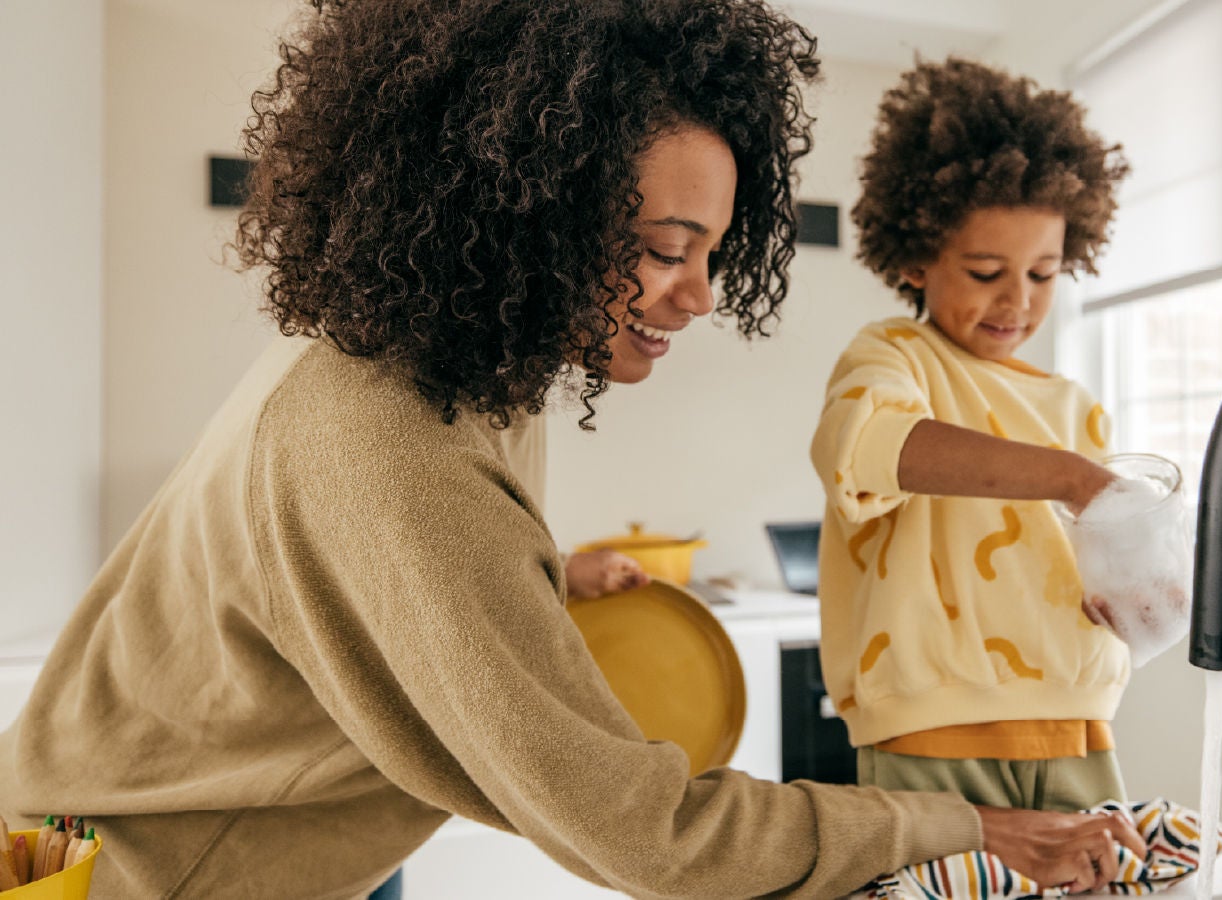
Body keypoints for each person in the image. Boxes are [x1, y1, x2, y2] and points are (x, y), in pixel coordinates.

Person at [0, 4, 1143, 897]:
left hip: (238, 837)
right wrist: (973, 828)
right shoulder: (389, 445)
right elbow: (650, 834)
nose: (699, 295)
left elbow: (367, 596)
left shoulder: (441, 360)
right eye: (663, 247)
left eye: (713, 252)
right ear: (525, 206)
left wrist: (540, 580)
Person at [810, 57, 1142, 821]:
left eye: (1044, 274)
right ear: (917, 256)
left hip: (1078, 722)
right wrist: (1067, 477)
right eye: (987, 269)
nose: (1017, 301)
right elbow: (867, 448)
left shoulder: (1077, 408)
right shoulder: (890, 358)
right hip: (927, 726)